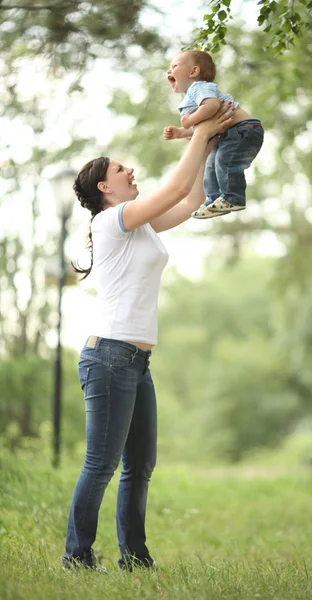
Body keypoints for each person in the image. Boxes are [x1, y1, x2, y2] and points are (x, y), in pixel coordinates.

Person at [62, 104, 234, 572]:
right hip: (109, 357)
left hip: (134, 363)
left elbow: (190, 198)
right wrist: (199, 131)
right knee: (101, 464)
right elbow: (174, 187)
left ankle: (134, 559)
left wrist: (209, 143)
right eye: (121, 169)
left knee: (140, 466)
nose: (131, 170)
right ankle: (76, 558)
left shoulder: (139, 226)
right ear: (104, 188)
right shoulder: (111, 222)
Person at [164, 50, 264, 219]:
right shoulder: (192, 96)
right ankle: (214, 199)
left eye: (174, 66)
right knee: (211, 165)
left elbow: (211, 106)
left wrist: (188, 120)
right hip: (230, 134)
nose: (169, 71)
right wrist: (181, 132)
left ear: (193, 72)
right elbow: (204, 126)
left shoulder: (200, 87)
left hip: (243, 129)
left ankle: (233, 197)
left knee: (225, 162)